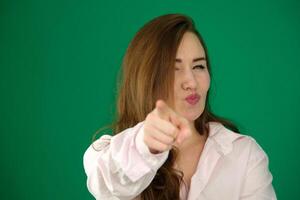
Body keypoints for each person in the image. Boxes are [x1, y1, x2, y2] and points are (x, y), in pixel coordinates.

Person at [83, 14, 277, 200]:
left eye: (198, 66)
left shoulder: (244, 154)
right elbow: (111, 186)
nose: (191, 82)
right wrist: (146, 145)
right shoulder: (105, 154)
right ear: (146, 79)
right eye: (173, 69)